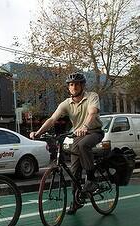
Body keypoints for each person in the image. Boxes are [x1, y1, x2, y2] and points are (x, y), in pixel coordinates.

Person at [29, 72, 103, 215]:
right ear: (68, 88)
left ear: (82, 85)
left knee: (83, 145)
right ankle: (76, 202)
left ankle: (91, 179)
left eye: (76, 84)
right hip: (77, 136)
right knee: (74, 171)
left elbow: (92, 113)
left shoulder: (92, 96)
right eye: (70, 85)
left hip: (94, 131)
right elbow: (52, 119)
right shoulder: (66, 104)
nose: (73, 87)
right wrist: (38, 133)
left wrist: (85, 127)